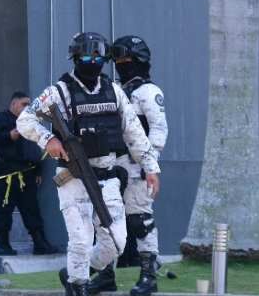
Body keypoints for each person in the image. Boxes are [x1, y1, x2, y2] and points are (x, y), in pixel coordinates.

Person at [17, 32, 160, 296]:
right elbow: (25, 120)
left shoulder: (113, 90)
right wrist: (48, 139)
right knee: (80, 241)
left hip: (106, 177)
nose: (90, 61)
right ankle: (78, 285)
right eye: (84, 56)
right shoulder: (59, 91)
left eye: (96, 56)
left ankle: (74, 274)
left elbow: (133, 132)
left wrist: (150, 167)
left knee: (117, 242)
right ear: (74, 57)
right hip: (73, 178)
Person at [110, 35, 168, 296]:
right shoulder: (112, 88)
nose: (122, 64)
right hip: (112, 164)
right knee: (106, 220)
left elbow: (158, 129)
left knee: (140, 221)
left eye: (126, 59)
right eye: (118, 60)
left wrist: (150, 163)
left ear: (139, 60)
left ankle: (148, 276)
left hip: (138, 164)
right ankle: (104, 274)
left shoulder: (148, 92)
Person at [0, 91, 59, 255]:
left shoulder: (30, 121)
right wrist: (8, 136)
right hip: (8, 173)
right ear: (13, 104)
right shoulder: (0, 119)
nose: (27, 107)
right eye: (24, 104)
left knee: (31, 208)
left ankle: (40, 243)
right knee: (4, 209)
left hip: (27, 172)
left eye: (29, 104)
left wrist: (38, 169)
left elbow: (35, 147)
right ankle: (3, 245)